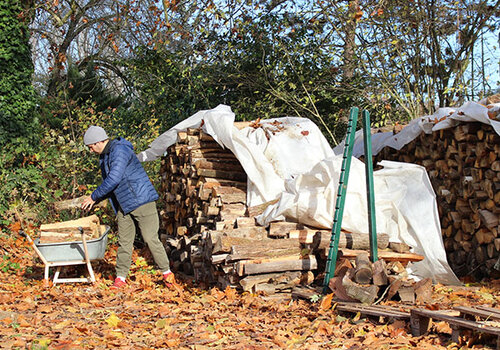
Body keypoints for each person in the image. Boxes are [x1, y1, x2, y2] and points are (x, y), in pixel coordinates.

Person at [81, 125, 175, 289]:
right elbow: (111, 183)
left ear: (97, 142)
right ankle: (120, 279)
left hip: (142, 201)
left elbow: (114, 178)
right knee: (124, 242)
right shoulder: (106, 156)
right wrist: (97, 199)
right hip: (124, 205)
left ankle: (167, 274)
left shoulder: (120, 150)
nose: (91, 151)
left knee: (150, 239)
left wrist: (94, 196)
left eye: (90, 147)